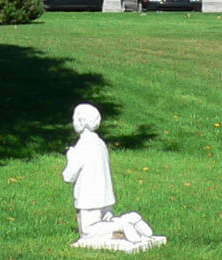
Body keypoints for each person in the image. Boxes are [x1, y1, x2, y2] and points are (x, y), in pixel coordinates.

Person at [62, 103, 158, 244]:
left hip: (89, 198)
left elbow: (69, 176)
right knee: (105, 221)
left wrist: (70, 157)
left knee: (88, 232)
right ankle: (128, 220)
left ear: (82, 122)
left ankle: (122, 224)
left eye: (74, 119)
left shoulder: (82, 146)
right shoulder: (100, 143)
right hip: (105, 196)